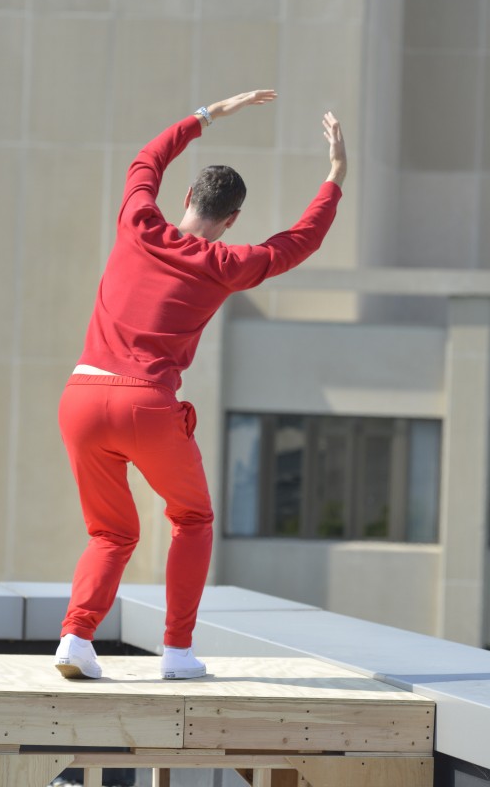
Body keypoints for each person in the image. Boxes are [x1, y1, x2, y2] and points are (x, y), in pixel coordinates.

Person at [55, 90, 346, 681]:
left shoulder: (138, 222)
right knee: (191, 519)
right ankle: (178, 652)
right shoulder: (225, 264)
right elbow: (300, 241)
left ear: (187, 198)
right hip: (146, 404)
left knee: (110, 531)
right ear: (232, 219)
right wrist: (335, 174)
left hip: (81, 397)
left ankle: (75, 638)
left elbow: (146, 160)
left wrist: (209, 115)